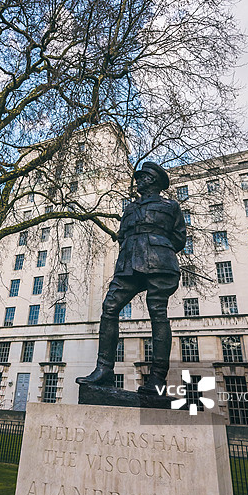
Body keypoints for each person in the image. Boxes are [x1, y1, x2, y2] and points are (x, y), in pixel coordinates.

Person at [76, 161, 187, 393]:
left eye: (143, 177)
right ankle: (104, 369)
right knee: (109, 307)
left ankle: (157, 377)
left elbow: (179, 239)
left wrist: (157, 245)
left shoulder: (170, 206)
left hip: (159, 261)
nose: (138, 180)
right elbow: (123, 236)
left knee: (157, 311)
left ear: (154, 181)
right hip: (129, 262)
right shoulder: (129, 208)